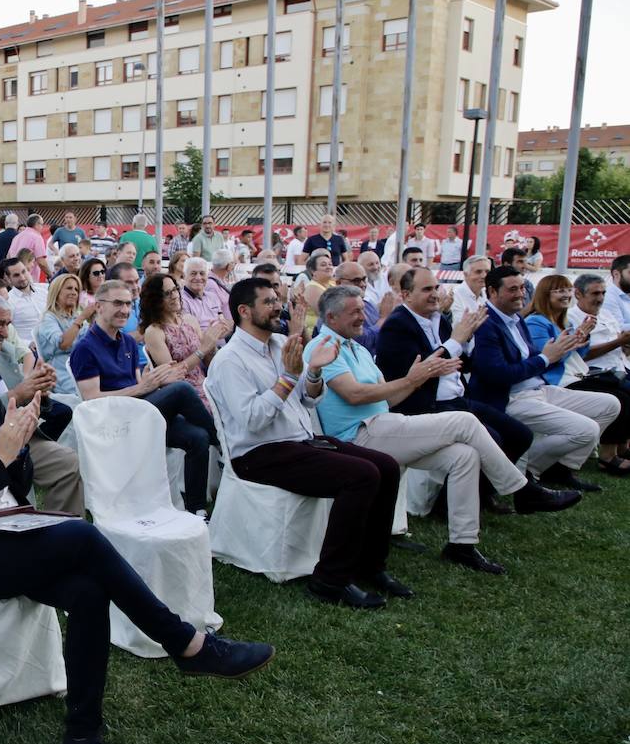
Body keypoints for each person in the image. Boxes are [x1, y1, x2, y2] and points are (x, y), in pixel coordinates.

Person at [0, 296, 274, 744]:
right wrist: (1, 457)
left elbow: (14, 478)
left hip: (7, 529)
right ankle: (183, 641)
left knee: (89, 593)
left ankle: (84, 734)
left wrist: (19, 448)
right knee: (82, 533)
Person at [306, 285, 576, 576]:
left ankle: (462, 543)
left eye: (362, 309)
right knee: (465, 421)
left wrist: (417, 379)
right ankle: (521, 490)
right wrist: (411, 379)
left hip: (384, 426)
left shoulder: (356, 347)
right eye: (354, 311)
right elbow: (355, 395)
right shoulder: (321, 346)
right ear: (331, 318)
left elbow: (389, 398)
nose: (363, 316)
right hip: (357, 435)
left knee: (463, 455)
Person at [205, 278, 400, 608]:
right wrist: (289, 377)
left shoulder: (282, 345)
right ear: (244, 311)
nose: (277, 306)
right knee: (362, 475)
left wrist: (312, 373)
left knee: (387, 466)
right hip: (258, 453)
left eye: (277, 299)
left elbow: (309, 402)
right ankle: (329, 580)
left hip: (299, 441)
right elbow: (253, 420)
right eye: (268, 301)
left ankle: (370, 565)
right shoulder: (230, 360)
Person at [376, 267, 543, 515]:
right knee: (493, 439)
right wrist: (455, 341)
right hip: (424, 404)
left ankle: (483, 494)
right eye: (426, 289)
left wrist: (466, 342)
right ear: (406, 294)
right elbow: (417, 373)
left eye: (436, 287)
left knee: (519, 435)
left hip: (457, 399)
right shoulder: (397, 326)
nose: (435, 294)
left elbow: (461, 361)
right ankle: (447, 507)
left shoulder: (439, 320)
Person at [69, 280, 218, 517]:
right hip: (114, 422)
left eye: (128, 304)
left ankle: (196, 510)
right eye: (117, 303)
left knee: (198, 437)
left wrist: (154, 381)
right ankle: (225, 447)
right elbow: (91, 400)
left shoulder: (127, 341)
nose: (125, 310)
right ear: (98, 306)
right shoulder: (86, 347)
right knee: (182, 389)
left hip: (139, 413)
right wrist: (143, 387)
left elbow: (139, 384)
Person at [468, 266, 621, 493]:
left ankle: (557, 468)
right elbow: (498, 375)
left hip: (538, 388)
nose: (521, 293)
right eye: (513, 289)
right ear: (492, 291)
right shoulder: (486, 324)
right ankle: (523, 472)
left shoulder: (514, 319)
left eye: (522, 287)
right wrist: (545, 358)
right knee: (586, 430)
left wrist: (564, 346)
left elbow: (540, 358)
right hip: (508, 398)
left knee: (610, 404)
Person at [0, 292, 84, 515]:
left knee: (69, 463)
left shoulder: (5, 353)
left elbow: (28, 402)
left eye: (8, 324)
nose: (5, 332)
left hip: (21, 435)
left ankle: (62, 532)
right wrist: (20, 393)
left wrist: (40, 393)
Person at [523, 274, 630, 475]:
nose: (566, 295)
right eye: (560, 290)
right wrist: (574, 341)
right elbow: (546, 361)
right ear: (546, 294)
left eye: (567, 290)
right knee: (620, 397)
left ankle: (569, 464)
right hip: (556, 382)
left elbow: (577, 354)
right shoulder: (536, 322)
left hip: (576, 375)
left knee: (617, 398)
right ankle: (600, 458)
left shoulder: (559, 320)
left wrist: (581, 337)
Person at [142, 274, 229, 408]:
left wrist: (212, 342)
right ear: (155, 300)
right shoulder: (154, 331)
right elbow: (171, 374)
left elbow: (208, 362)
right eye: (167, 293)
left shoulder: (190, 320)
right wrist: (202, 350)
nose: (175, 295)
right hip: (185, 392)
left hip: (206, 383)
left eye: (175, 289)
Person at [36, 273, 95, 396]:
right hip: (61, 370)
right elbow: (63, 344)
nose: (74, 292)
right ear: (56, 292)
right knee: (89, 394)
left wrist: (94, 320)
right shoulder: (49, 318)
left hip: (83, 365)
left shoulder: (75, 317)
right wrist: (83, 317)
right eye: (69, 288)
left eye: (76, 289)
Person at [0, 257, 44, 345]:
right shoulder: (8, 301)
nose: (22, 277)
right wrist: (28, 344)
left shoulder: (44, 289)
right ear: (8, 279)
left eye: (24, 272)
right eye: (16, 275)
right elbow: (6, 333)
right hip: (31, 349)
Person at [180, 257, 229, 332]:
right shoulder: (181, 300)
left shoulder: (213, 297)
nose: (198, 277)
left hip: (223, 342)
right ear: (184, 276)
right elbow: (190, 334)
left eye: (202, 273)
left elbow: (223, 323)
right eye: (193, 273)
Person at [450, 255, 491, 325]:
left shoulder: (488, 292)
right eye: (478, 272)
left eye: (487, 272)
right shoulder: (455, 295)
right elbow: (457, 327)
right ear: (465, 274)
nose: (484, 276)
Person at [301, 252, 335, 335]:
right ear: (313, 271)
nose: (328, 267)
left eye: (330, 264)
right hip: (316, 333)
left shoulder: (332, 283)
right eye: (323, 265)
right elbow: (326, 315)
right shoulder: (312, 288)